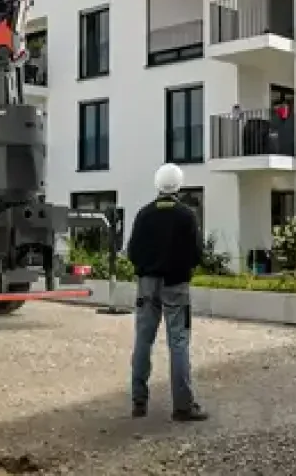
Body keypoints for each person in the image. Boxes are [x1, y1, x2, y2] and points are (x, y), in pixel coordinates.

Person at [126, 163, 208, 421]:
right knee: (179, 343)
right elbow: (196, 254)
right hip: (176, 285)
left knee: (143, 340)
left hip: (147, 285)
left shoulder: (144, 214)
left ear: (157, 184)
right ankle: (182, 406)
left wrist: (146, 268)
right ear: (179, 186)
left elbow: (132, 252)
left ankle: (139, 401)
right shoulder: (187, 216)